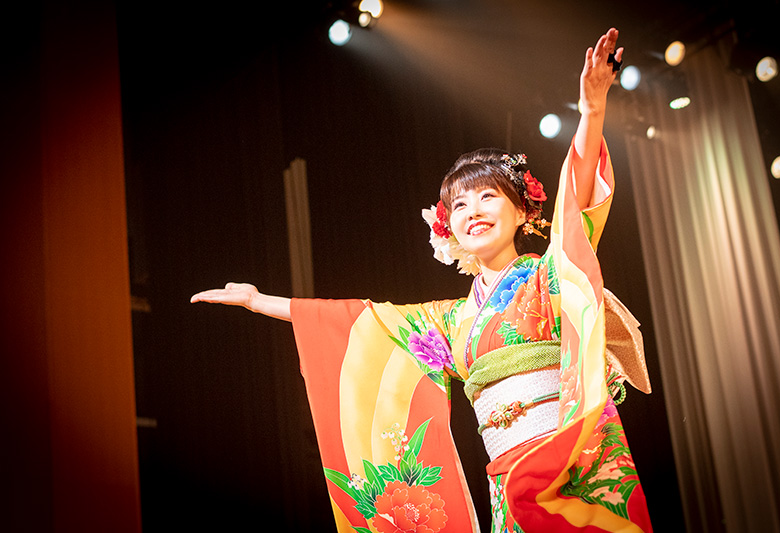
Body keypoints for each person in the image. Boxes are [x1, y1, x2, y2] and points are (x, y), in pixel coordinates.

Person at [192, 28, 652, 533]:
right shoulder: (453, 320)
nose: (472, 211)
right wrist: (261, 301)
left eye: (487, 198)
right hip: (506, 483)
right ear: (447, 226)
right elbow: (363, 323)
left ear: (523, 212)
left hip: (567, 468)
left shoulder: (547, 278)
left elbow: (575, 201)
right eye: (459, 204)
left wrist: (591, 111)